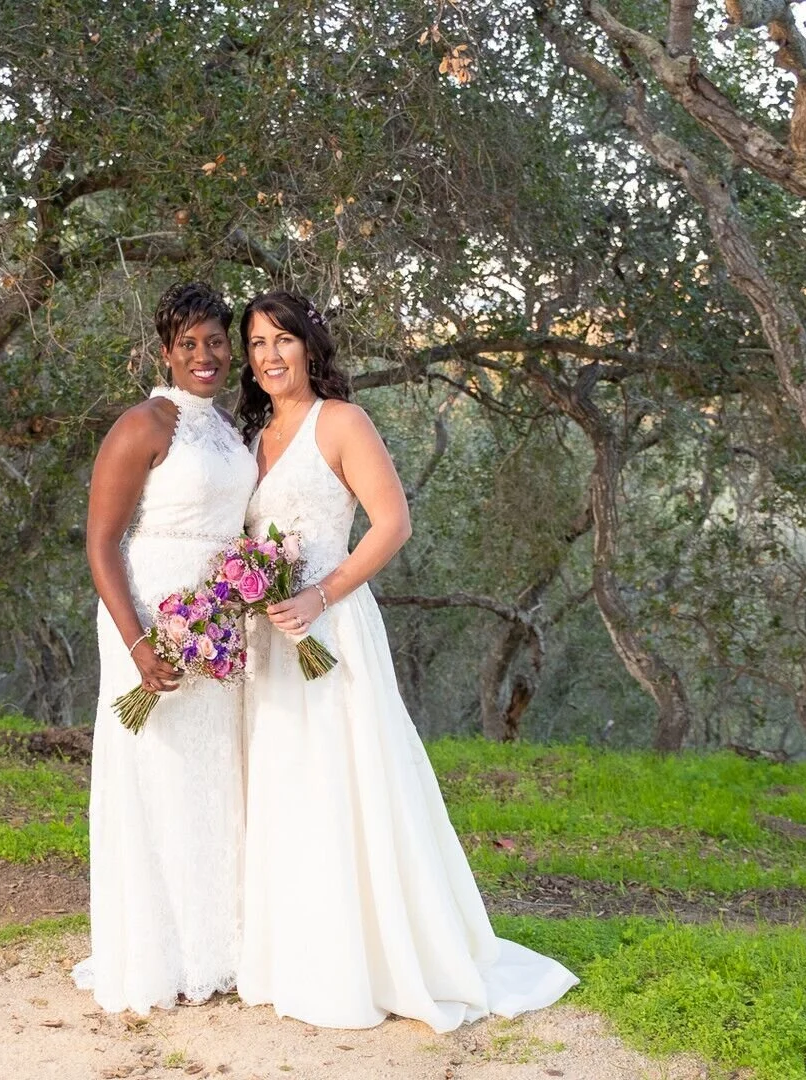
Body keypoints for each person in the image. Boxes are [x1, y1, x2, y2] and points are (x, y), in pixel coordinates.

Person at [236, 289, 578, 1032]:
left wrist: (321, 596)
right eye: (257, 343)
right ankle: (300, 951)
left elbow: (393, 524)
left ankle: (375, 957)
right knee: (288, 781)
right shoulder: (258, 437)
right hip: (274, 638)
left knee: (344, 778)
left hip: (330, 626)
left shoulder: (341, 422)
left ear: (309, 346)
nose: (269, 355)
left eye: (282, 340)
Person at [73, 282, 256, 1013]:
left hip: (216, 622)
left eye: (216, 342)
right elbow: (100, 544)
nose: (206, 356)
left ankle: (218, 946)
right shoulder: (144, 424)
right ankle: (158, 952)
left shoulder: (227, 427)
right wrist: (139, 640)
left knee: (216, 776)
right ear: (165, 354)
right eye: (190, 345)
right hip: (150, 613)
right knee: (159, 773)